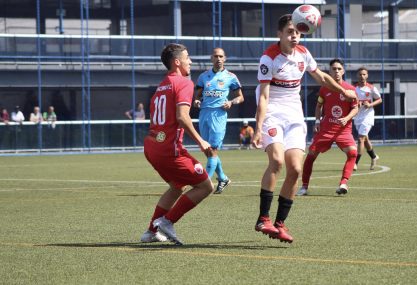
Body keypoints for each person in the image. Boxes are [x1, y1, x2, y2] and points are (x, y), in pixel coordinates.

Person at [252, 15, 356, 243]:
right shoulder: (268, 58)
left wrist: (342, 91)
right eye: (290, 32)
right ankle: (263, 218)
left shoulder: (303, 53)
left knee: (296, 169)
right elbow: (264, 96)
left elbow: (321, 77)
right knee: (277, 161)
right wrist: (258, 128)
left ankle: (279, 224)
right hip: (272, 114)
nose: (294, 36)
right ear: (279, 34)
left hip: (294, 116)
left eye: (298, 32)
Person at [140, 43, 214, 245]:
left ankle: (151, 231)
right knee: (205, 186)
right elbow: (182, 117)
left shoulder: (162, 85)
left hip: (152, 146)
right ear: (177, 62)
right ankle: (167, 221)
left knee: (176, 186)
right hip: (168, 149)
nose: (190, 61)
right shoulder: (184, 83)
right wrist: (201, 142)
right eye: (187, 57)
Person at [296, 59, 359, 197]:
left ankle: (343, 183)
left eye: (339, 69)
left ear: (343, 71)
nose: (336, 71)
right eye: (333, 69)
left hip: (344, 129)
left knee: (353, 153)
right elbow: (319, 106)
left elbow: (355, 109)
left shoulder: (351, 90)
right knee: (310, 155)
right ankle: (304, 187)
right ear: (329, 71)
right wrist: (317, 121)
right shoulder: (324, 89)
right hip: (326, 129)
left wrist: (347, 118)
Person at [193, 47, 244, 194]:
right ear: (211, 58)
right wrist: (196, 101)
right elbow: (197, 96)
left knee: (213, 149)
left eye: (221, 56)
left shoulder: (230, 77)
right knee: (207, 150)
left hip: (219, 115)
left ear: (225, 59)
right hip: (204, 114)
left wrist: (231, 102)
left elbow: (241, 97)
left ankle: (205, 183)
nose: (218, 59)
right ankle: (223, 178)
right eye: (216, 56)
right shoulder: (203, 76)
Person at [353, 67, 382, 170]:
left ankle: (355, 162)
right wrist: (358, 103)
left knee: (360, 139)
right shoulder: (353, 88)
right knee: (365, 140)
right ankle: (374, 156)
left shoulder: (371, 88)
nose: (362, 76)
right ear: (357, 76)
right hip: (358, 117)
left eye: (364, 74)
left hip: (368, 116)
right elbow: (350, 101)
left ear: (367, 75)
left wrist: (370, 105)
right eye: (360, 74)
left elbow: (379, 99)